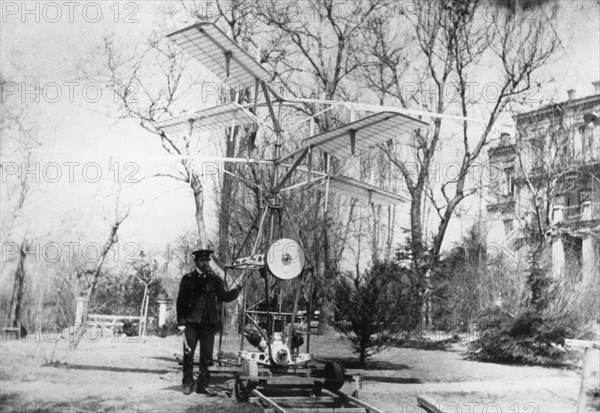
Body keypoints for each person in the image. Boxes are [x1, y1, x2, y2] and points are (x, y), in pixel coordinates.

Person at [176, 248, 243, 395]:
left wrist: (236, 291)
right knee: (188, 355)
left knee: (206, 357)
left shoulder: (213, 280)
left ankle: (202, 386)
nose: (205, 263)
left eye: (207, 260)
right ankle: (187, 383)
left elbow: (223, 296)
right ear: (196, 261)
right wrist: (181, 323)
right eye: (202, 260)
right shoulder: (187, 279)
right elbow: (180, 302)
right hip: (191, 324)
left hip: (209, 324)